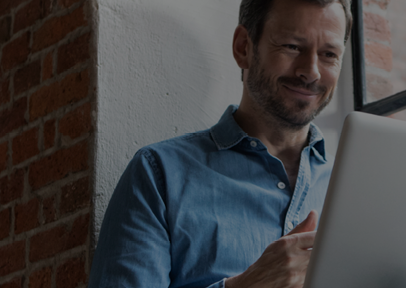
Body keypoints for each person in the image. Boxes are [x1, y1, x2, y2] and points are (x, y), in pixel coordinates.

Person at [88, 0, 351, 287]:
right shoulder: (159, 175)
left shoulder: (355, 190)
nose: (311, 71)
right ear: (243, 48)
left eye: (328, 54)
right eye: (292, 46)